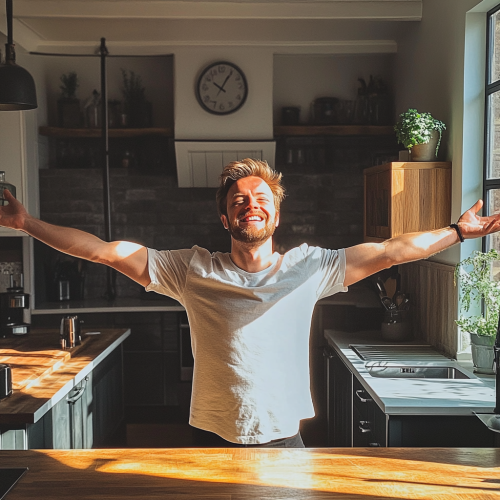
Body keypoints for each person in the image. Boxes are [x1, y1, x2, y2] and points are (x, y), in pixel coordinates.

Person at [1, 158, 499, 448]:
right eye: (238, 199)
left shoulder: (310, 267)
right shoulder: (190, 269)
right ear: (225, 218)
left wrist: (456, 231)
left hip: (283, 436)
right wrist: (27, 224)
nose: (250, 203)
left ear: (276, 213)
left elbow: (392, 251)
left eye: (260, 197)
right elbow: (102, 250)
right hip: (209, 436)